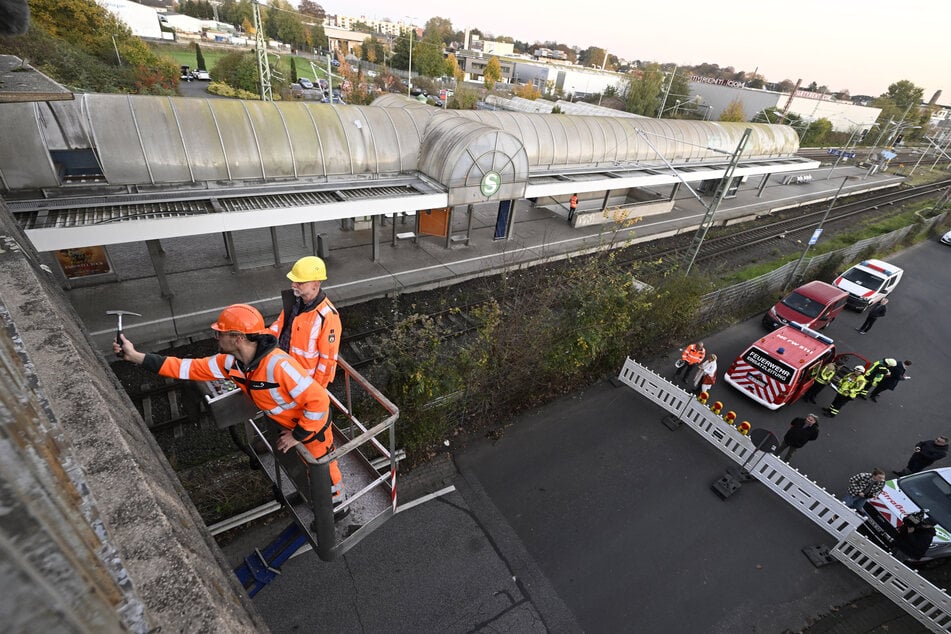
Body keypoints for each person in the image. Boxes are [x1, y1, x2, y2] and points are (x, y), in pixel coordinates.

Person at [114, 303, 343, 500]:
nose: (216, 337)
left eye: (220, 333)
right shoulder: (230, 363)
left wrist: (298, 435)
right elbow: (187, 368)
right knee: (306, 467)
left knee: (323, 467)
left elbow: (319, 402)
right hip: (287, 423)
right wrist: (136, 357)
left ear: (238, 338)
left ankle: (336, 505)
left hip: (311, 428)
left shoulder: (279, 366)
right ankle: (316, 495)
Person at [269, 256, 342, 388]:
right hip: (283, 371)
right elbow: (278, 326)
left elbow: (328, 360)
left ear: (315, 284)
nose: (293, 285)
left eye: (299, 282)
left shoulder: (328, 316)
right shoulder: (293, 302)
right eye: (293, 281)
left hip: (302, 382)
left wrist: (316, 390)